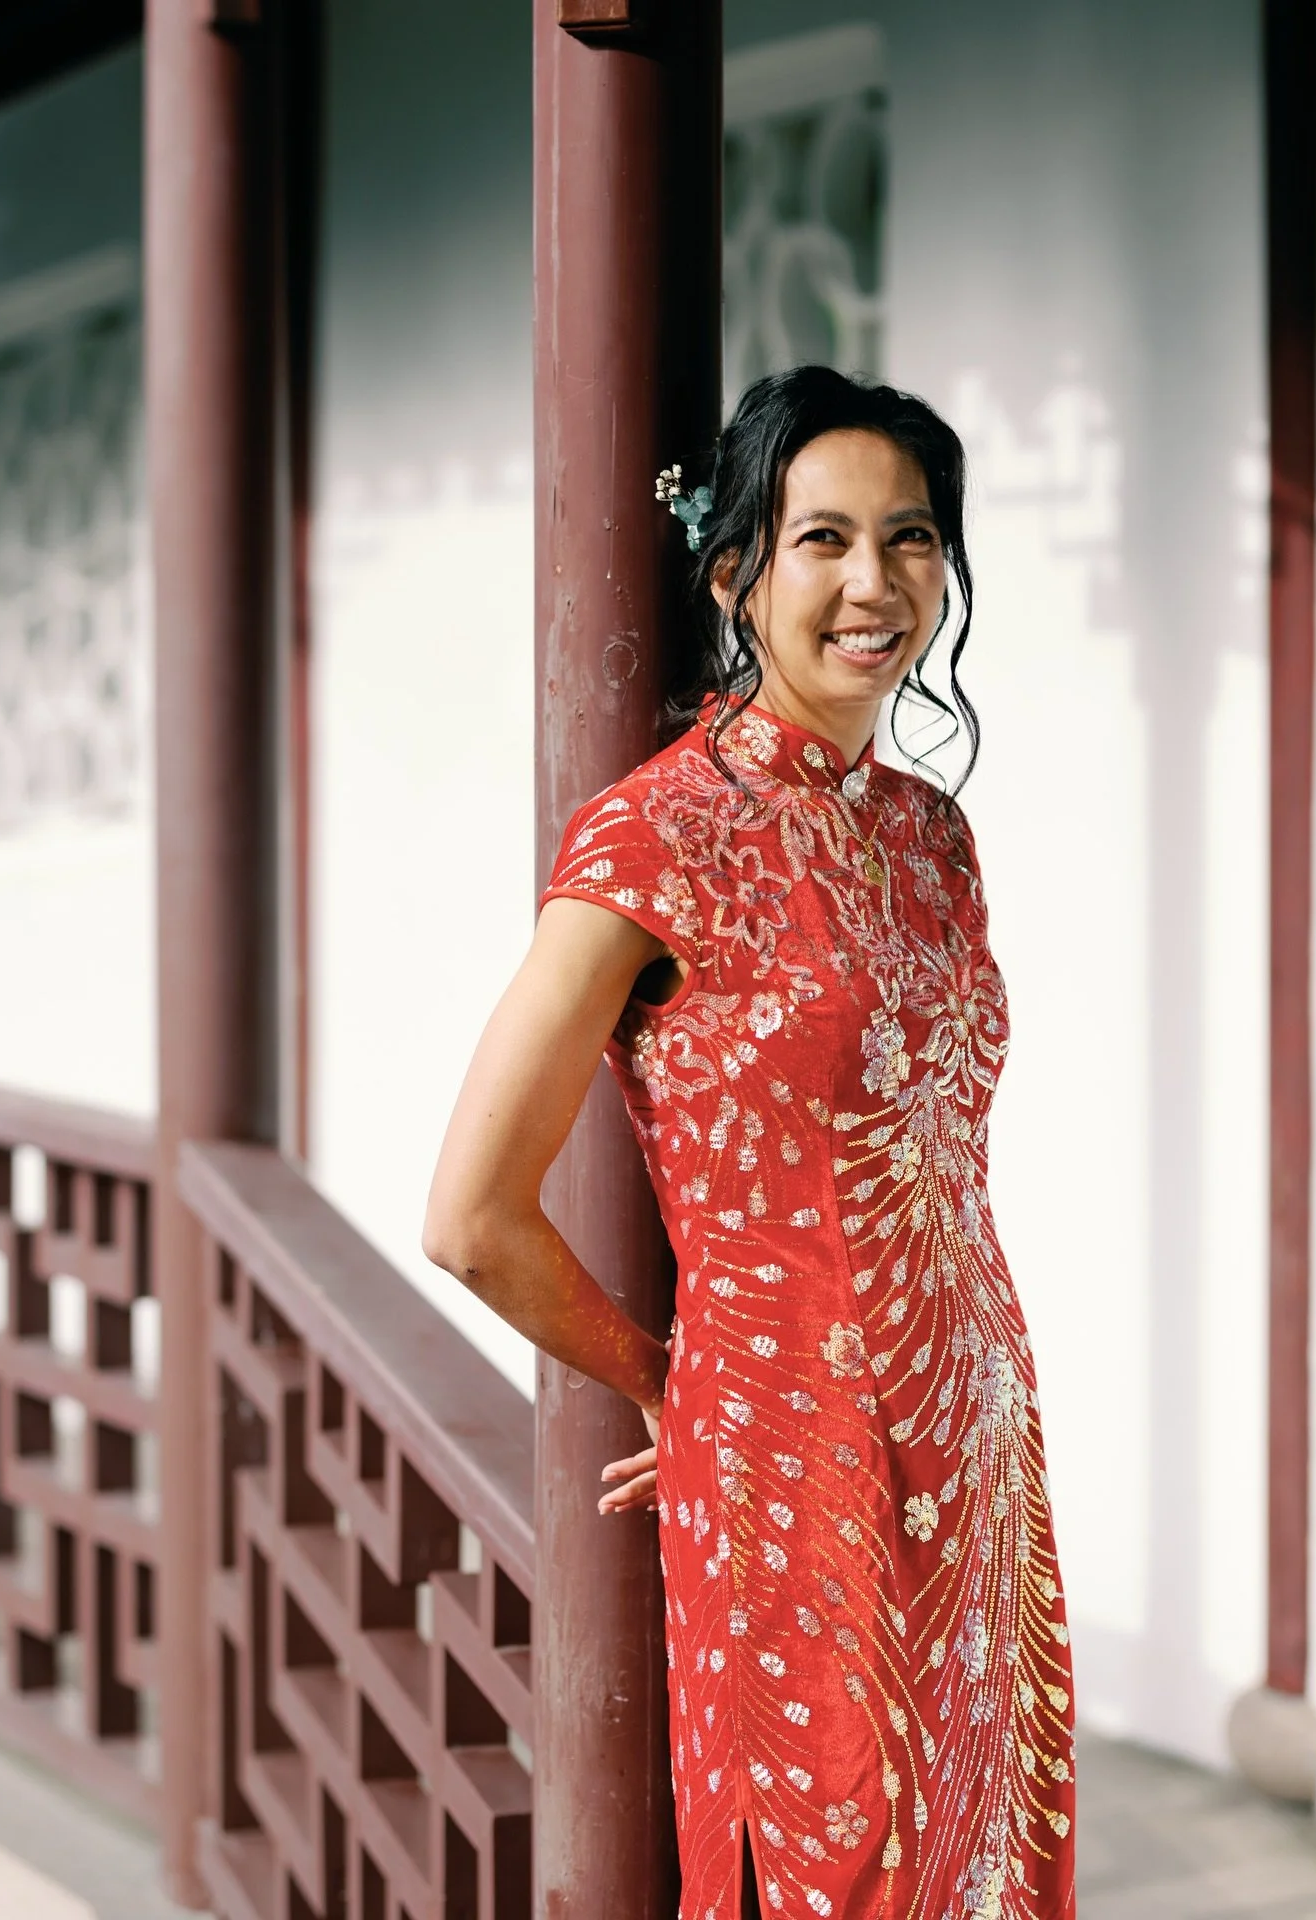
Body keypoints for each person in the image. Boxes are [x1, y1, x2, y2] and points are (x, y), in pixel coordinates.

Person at [424, 365, 1075, 1920]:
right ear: (737, 573)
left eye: (912, 540)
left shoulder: (929, 832)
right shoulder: (653, 839)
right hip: (796, 1477)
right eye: (824, 540)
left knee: (990, 1867)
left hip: (980, 1454)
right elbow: (471, 1215)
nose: (876, 584)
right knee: (832, 1873)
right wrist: (674, 1379)